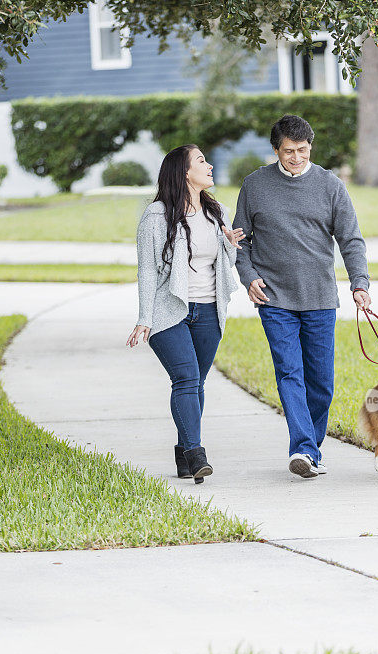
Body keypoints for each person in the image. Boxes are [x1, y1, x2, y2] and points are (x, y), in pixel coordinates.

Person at [233, 114, 372, 479]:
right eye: (289, 151)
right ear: (276, 150)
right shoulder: (255, 185)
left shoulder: (330, 185)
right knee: (289, 372)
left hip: (321, 297)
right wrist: (248, 277)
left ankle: (311, 449)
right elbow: (240, 240)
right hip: (274, 297)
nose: (296, 157)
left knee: (321, 382)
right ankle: (304, 450)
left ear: (311, 147)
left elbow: (351, 239)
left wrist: (360, 283)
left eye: (303, 150)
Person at [126, 145, 245, 483]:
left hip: (209, 310)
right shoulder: (156, 216)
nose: (209, 166)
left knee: (197, 382)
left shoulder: (217, 211)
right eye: (201, 161)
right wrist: (144, 318)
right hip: (169, 310)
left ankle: (182, 455)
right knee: (186, 379)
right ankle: (196, 454)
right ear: (183, 172)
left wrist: (229, 245)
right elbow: (147, 271)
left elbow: (225, 267)